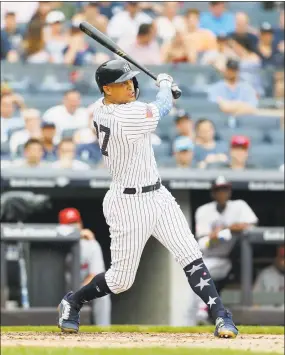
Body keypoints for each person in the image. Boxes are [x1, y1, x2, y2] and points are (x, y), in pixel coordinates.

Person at [57, 59, 238, 338]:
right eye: (123, 83)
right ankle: (73, 301)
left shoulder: (102, 106)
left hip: (158, 195)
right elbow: (162, 106)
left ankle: (222, 316)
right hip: (128, 204)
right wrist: (165, 84)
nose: (130, 87)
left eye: (131, 81)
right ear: (106, 89)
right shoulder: (121, 116)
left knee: (191, 256)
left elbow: (143, 100)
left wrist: (159, 89)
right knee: (121, 280)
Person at [194, 176, 258, 323]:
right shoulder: (203, 211)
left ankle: (203, 311)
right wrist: (217, 236)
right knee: (196, 281)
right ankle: (201, 315)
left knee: (204, 274)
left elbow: (252, 224)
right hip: (205, 253)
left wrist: (226, 229)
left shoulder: (239, 206)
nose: (222, 193)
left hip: (224, 258)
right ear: (213, 193)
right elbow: (203, 240)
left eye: (225, 189)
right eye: (218, 190)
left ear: (229, 191)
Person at [58, 208, 111, 325]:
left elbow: (96, 275)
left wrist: (78, 294)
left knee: (103, 296)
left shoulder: (90, 244)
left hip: (82, 289)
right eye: (69, 224)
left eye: (76, 223)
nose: (74, 227)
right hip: (62, 291)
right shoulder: (56, 246)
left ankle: (104, 330)